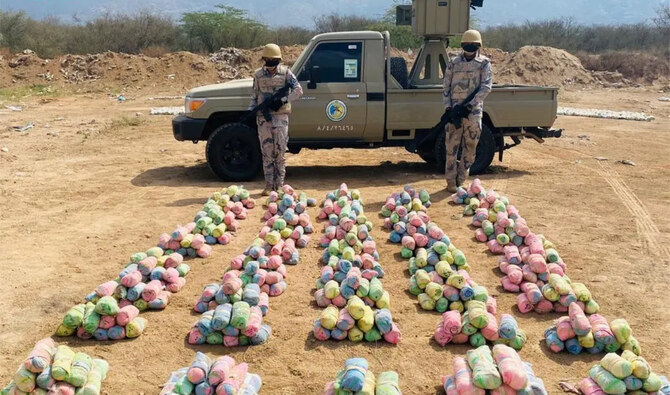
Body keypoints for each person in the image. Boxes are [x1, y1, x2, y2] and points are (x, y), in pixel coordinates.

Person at [249, 43, 303, 196]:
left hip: (280, 119)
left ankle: (279, 185)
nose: (271, 62)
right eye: (268, 59)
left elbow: (299, 91)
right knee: (266, 152)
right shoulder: (258, 75)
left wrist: (283, 100)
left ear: (278, 60)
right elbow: (254, 95)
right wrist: (251, 111)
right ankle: (268, 185)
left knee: (279, 153)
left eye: (274, 60)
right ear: (264, 59)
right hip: (264, 120)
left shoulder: (286, 73)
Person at [442, 29, 493, 193]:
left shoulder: (484, 63)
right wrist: (449, 108)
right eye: (467, 44)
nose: (470, 47)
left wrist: (470, 105)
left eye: (473, 44)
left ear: (478, 46)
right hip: (455, 111)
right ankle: (450, 181)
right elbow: (446, 88)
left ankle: (462, 180)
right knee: (451, 147)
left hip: (473, 112)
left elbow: (486, 87)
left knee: (470, 148)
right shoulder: (453, 63)